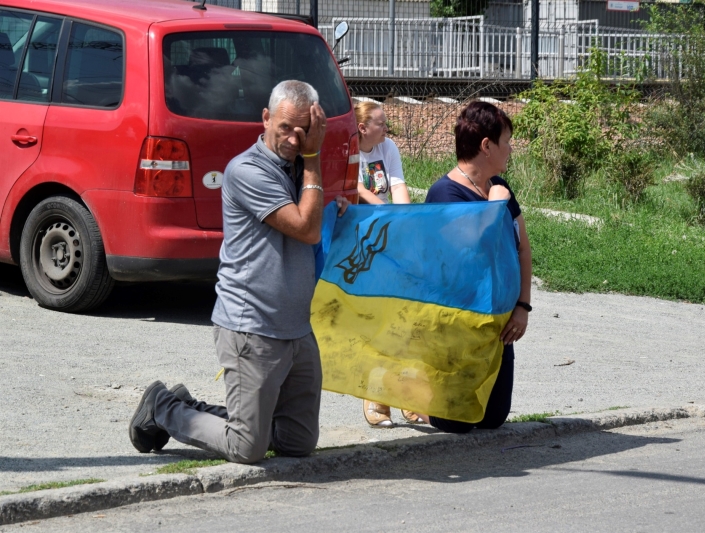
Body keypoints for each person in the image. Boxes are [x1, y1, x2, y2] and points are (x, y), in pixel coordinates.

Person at [128, 80, 349, 463]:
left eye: (303, 131)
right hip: (252, 328)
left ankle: (208, 410)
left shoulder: (297, 170)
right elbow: (304, 227)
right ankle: (163, 407)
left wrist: (335, 208)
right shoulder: (246, 170)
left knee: (296, 442)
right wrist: (314, 158)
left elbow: (312, 224)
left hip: (296, 328)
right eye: (284, 128)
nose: (294, 140)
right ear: (265, 118)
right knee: (247, 447)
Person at [421, 100, 532, 433]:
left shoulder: (500, 187)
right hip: (458, 323)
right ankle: (412, 399)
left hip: (498, 322)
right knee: (455, 422)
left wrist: (522, 306)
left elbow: (522, 248)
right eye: (506, 142)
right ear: (487, 146)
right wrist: (494, 208)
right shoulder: (444, 194)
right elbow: (466, 259)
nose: (510, 149)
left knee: (492, 418)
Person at [353, 101, 421, 428]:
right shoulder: (351, 149)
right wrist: (386, 212)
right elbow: (357, 189)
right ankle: (376, 395)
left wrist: (406, 223)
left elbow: (398, 187)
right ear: (363, 127)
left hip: (390, 236)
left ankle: (406, 395)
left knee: (402, 316)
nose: (386, 128)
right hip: (362, 242)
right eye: (380, 123)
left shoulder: (388, 147)